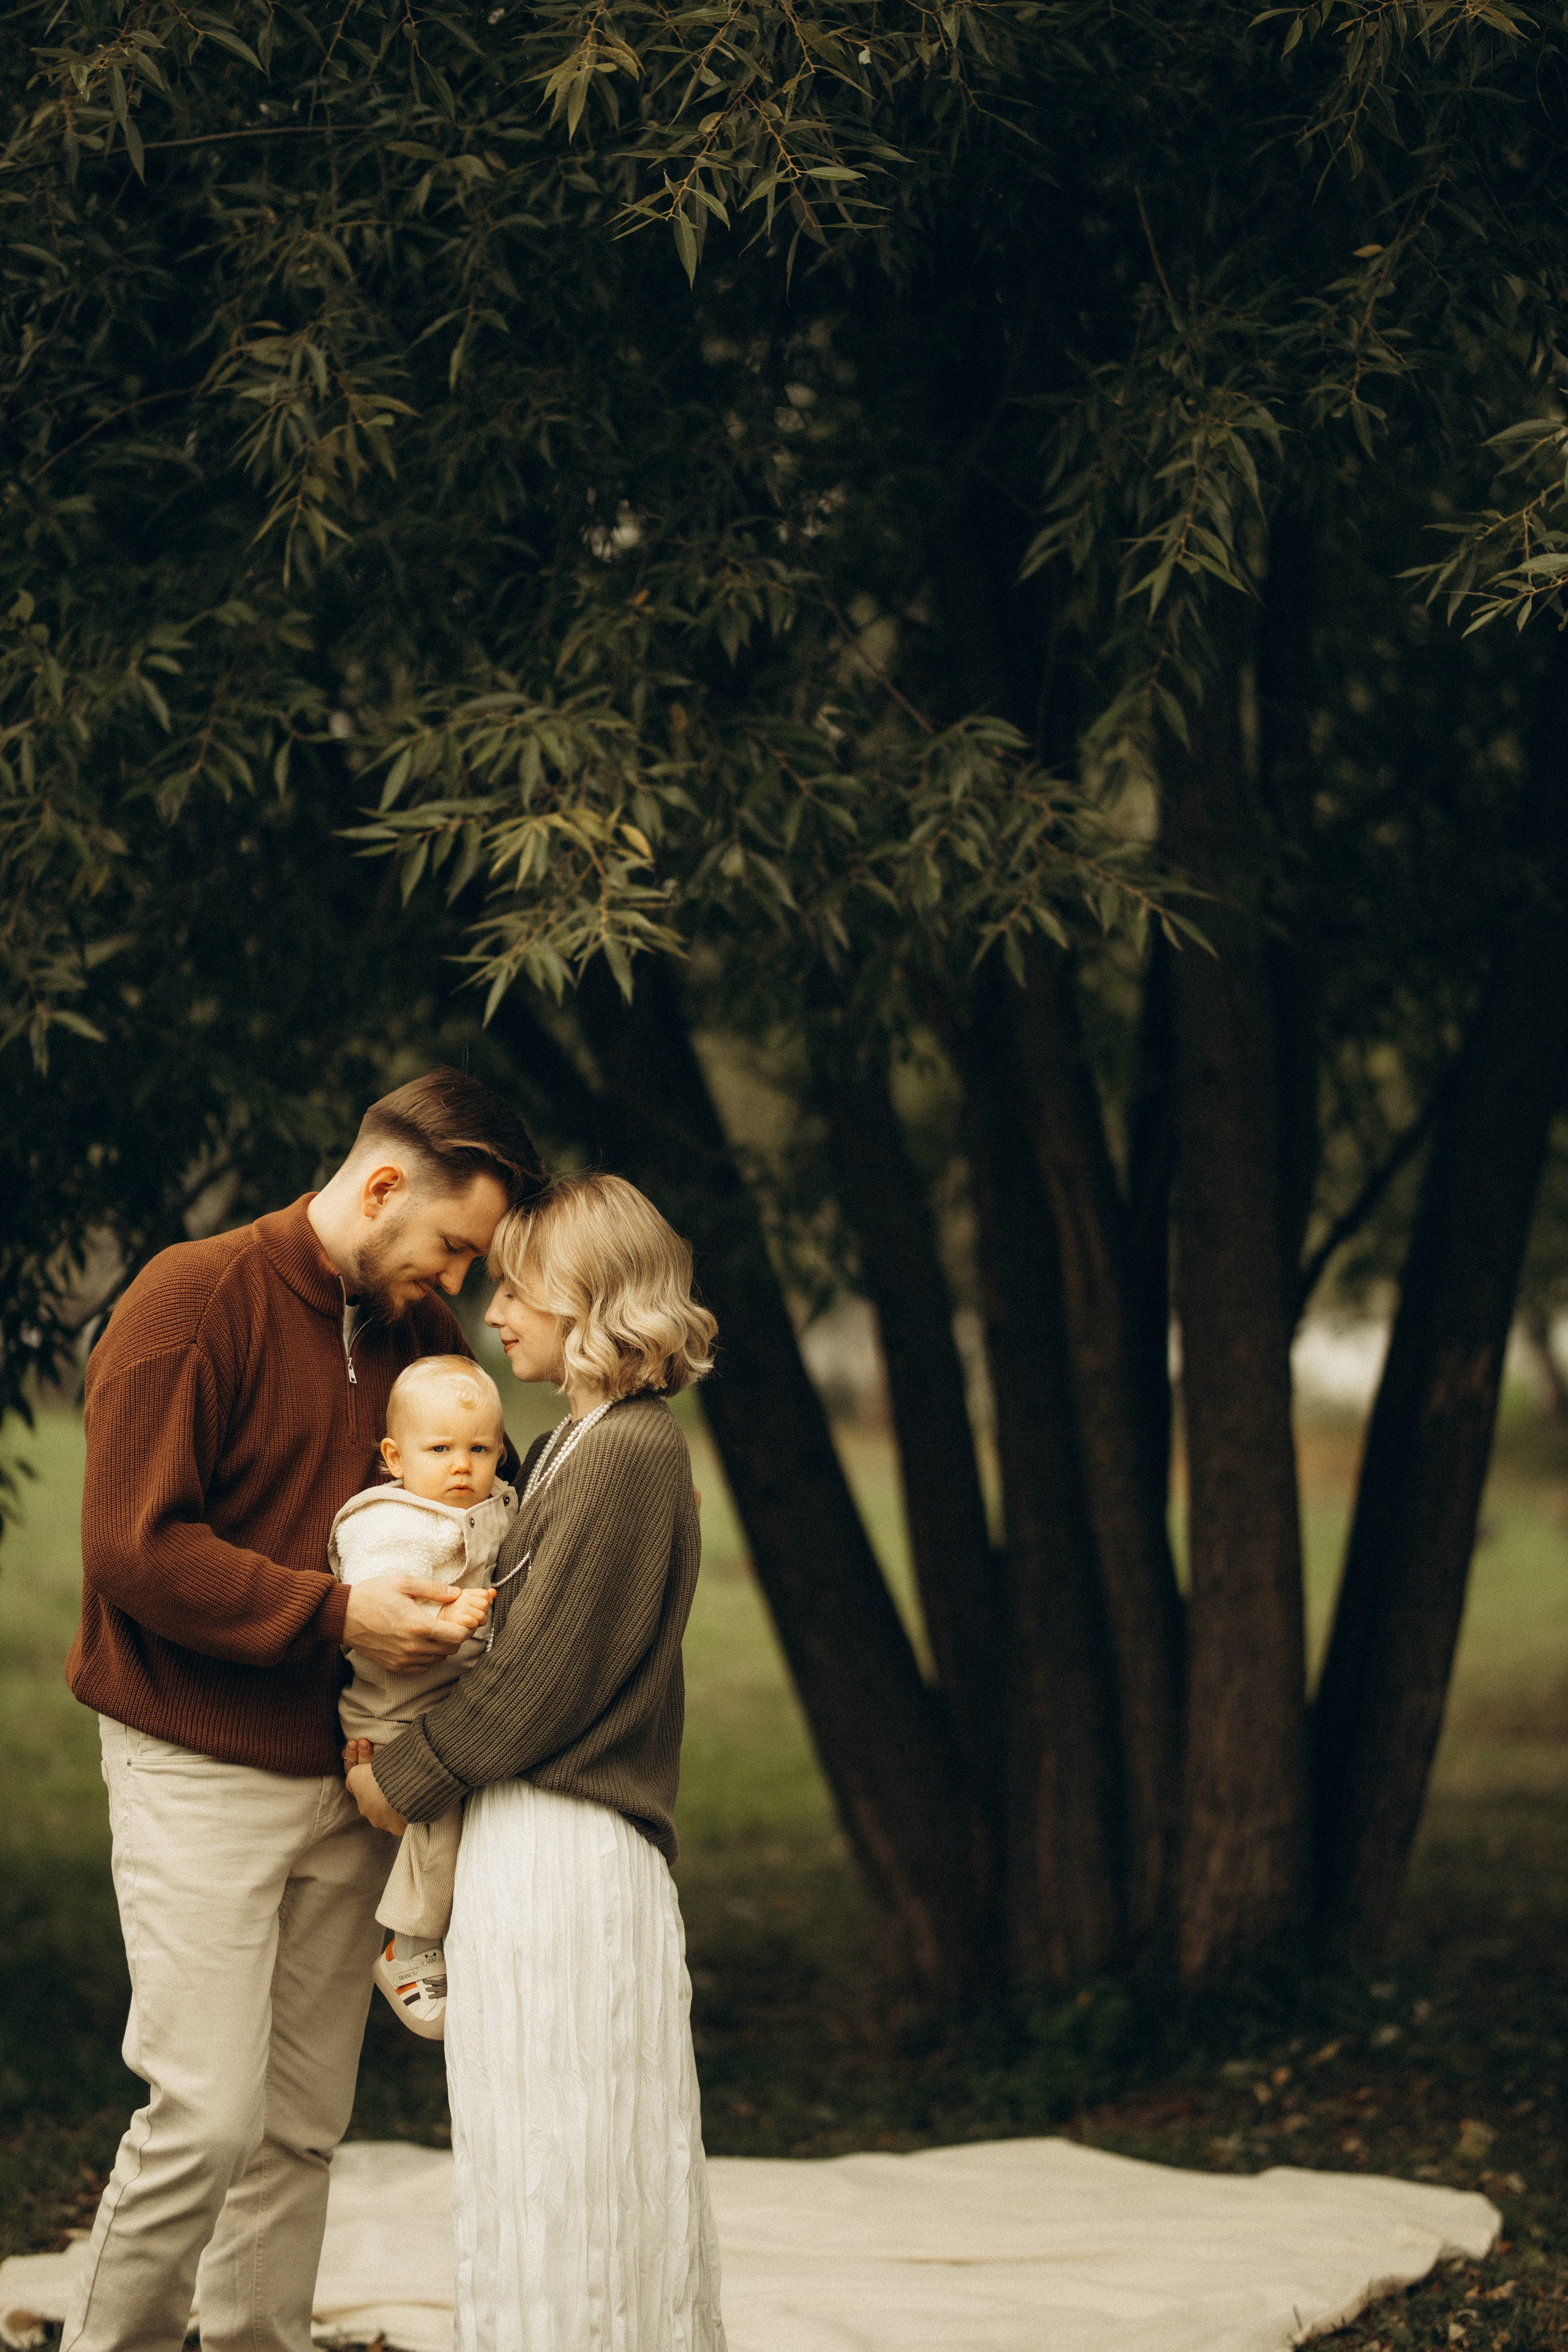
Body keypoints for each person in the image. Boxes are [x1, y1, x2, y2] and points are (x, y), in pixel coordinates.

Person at [63, 1070, 543, 2352]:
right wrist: (339, 1618)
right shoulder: (189, 1300)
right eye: (451, 1246)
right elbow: (132, 1550)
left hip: (353, 1774)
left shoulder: (419, 1342)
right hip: (194, 1758)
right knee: (203, 2116)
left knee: (296, 2126)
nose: (455, 1283)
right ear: (380, 1188)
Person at [348, 1172, 728, 2352]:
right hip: (528, 1841)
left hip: (569, 1845)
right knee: (532, 2150)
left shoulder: (626, 1454)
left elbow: (537, 1680)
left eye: (518, 1287)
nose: (493, 1311)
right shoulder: (575, 1441)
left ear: (587, 1295)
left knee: (572, 2152)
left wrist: (396, 1778)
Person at [331, 1354, 516, 2039]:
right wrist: (448, 1619)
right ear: (395, 1457)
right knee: (439, 1814)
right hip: (392, 1710)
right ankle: (407, 1946)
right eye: (440, 1450)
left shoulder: (495, 1505)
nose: (462, 1466)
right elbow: (382, 1609)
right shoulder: (390, 1522)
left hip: (447, 1705)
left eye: (479, 1449)